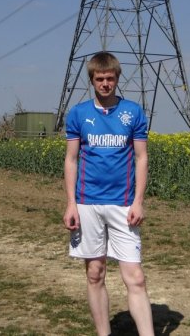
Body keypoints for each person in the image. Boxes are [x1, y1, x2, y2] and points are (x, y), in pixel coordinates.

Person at [63, 51, 154, 336]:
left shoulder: (133, 112)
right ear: (92, 80)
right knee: (95, 273)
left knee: (135, 277)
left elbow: (141, 158)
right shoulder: (78, 114)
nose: (105, 83)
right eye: (100, 79)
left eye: (110, 78)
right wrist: (70, 204)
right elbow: (71, 159)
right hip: (87, 203)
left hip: (124, 205)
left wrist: (139, 201)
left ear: (117, 78)